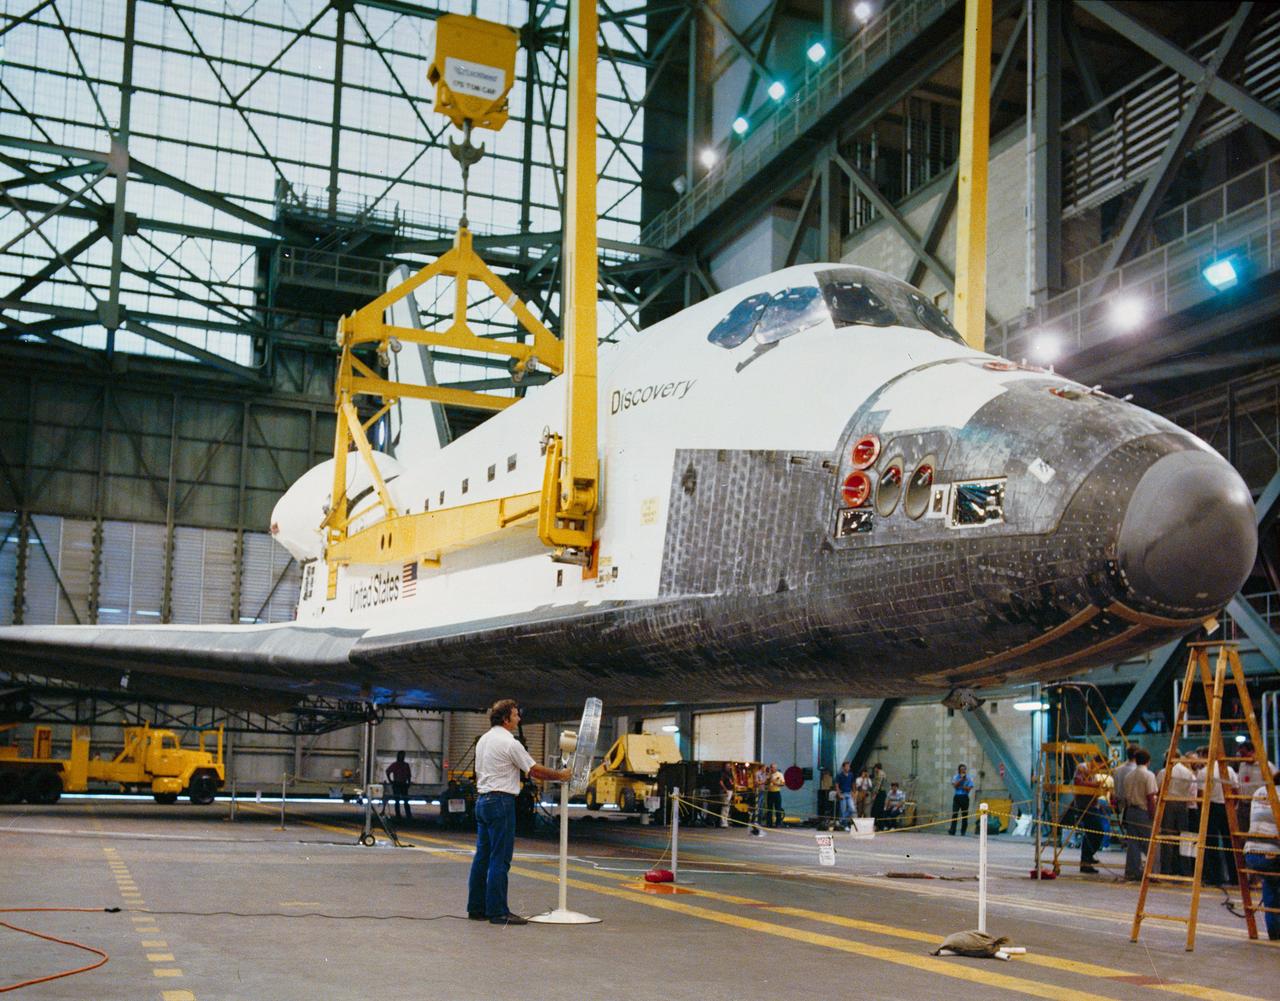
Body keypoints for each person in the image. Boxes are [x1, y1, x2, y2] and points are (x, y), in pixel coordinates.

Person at [466, 699, 570, 925]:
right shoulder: (510, 743)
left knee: (482, 856)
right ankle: (498, 911)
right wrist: (560, 775)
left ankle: (476, 908)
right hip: (501, 802)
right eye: (515, 715)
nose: (519, 719)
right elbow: (533, 770)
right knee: (500, 859)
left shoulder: (484, 740)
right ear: (506, 719)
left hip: (483, 800)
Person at [1242, 767, 1280, 940]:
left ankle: (1274, 930)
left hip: (1251, 853)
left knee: (1271, 882)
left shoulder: (1260, 791)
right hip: (1271, 853)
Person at [1198, 749, 1240, 886]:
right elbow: (1236, 789)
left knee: (1211, 843)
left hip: (1212, 807)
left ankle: (1216, 877)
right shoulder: (1229, 770)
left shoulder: (1205, 771)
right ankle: (1235, 876)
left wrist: (1201, 812)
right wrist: (1233, 806)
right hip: (1227, 806)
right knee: (1230, 843)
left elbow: (1201, 794)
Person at [1155, 755, 1197, 876]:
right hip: (1183, 805)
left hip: (1168, 803)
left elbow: (1159, 789)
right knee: (1184, 837)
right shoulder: (1188, 773)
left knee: (1167, 837)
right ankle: (1185, 869)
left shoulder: (1164, 772)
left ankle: (1167, 868)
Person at [1064, 755, 1105, 873]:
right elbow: (1078, 782)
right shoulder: (1082, 767)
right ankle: (1086, 859)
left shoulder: (1092, 772)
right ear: (1096, 762)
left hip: (1092, 804)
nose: (1099, 770)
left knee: (1095, 833)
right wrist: (1094, 786)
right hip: (1084, 805)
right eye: (1100, 766)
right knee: (1095, 831)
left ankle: (1087, 858)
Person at [1122, 748, 1158, 881]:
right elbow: (1150, 797)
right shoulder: (1149, 775)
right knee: (1151, 843)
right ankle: (1152, 872)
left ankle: (1132, 871)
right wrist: (1153, 815)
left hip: (1130, 811)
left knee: (1133, 843)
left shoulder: (1129, 776)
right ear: (1148, 761)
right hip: (1143, 811)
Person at [383, 750, 412, 820]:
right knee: (398, 800)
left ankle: (407, 815)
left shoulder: (404, 765)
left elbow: (409, 775)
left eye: (403, 755)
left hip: (402, 784)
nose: (402, 757)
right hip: (397, 783)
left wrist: (408, 782)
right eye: (401, 755)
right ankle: (399, 815)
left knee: (404, 800)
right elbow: (388, 771)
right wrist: (390, 780)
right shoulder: (397, 765)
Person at [948, 764, 973, 835]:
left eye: (964, 769)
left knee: (964, 815)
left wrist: (961, 786)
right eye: (961, 769)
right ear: (959, 770)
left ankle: (963, 831)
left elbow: (969, 789)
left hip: (964, 797)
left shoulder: (969, 778)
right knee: (955, 814)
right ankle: (952, 830)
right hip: (957, 797)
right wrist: (961, 780)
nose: (963, 771)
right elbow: (955, 785)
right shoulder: (956, 777)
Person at [766, 763, 785, 827]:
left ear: (776, 768)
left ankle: (778, 823)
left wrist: (775, 783)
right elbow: (766, 783)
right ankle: (769, 823)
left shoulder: (780, 774)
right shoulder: (769, 774)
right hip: (770, 792)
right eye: (771, 767)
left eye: (773, 767)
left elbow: (783, 784)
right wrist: (769, 778)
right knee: (769, 809)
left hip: (776, 792)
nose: (772, 769)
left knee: (778, 808)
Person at [718, 764, 734, 828]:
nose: (729, 767)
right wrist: (725, 789)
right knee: (724, 807)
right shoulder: (723, 774)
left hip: (730, 791)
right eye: (727, 766)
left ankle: (726, 821)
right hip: (726, 791)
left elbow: (732, 782)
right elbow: (721, 782)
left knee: (727, 807)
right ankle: (723, 822)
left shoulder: (730, 774)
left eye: (729, 766)